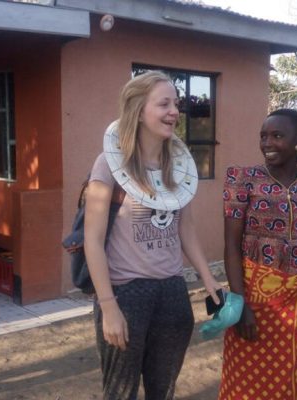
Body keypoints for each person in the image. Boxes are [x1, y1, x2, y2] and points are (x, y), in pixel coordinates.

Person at [84, 71, 222, 400]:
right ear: (138, 110)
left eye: (176, 103)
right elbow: (92, 240)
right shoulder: (108, 165)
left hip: (172, 291)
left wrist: (209, 279)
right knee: (120, 393)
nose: (175, 111)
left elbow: (185, 228)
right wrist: (109, 307)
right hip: (126, 294)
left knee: (163, 391)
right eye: (164, 104)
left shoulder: (179, 167)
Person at [219, 109, 297, 400]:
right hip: (253, 299)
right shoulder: (243, 180)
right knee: (247, 379)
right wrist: (239, 304)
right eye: (263, 136)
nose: (267, 143)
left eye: (277, 136)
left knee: (290, 373)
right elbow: (231, 247)